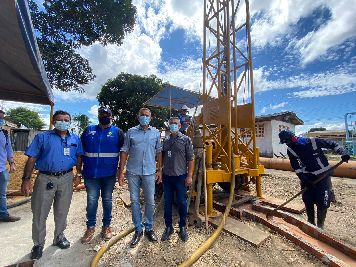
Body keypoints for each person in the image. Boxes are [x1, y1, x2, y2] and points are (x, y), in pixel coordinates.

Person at [21, 110, 83, 260]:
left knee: (62, 211)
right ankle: (38, 244)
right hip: (45, 178)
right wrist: (26, 179)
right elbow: (31, 159)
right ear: (53, 122)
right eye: (59, 119)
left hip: (67, 177)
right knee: (40, 212)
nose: (63, 121)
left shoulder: (75, 138)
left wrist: (78, 174)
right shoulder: (42, 137)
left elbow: (79, 156)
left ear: (70, 121)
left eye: (66, 119)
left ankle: (59, 237)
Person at [279, 130, 350, 229]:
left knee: (322, 202)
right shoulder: (291, 150)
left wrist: (343, 152)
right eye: (285, 142)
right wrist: (303, 178)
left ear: (293, 138)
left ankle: (320, 226)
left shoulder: (313, 142)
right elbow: (295, 165)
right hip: (307, 178)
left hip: (323, 176)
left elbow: (332, 144)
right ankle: (310, 224)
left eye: (288, 141)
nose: (287, 144)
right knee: (308, 200)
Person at [77, 107, 124, 243]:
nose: (104, 116)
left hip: (109, 174)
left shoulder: (117, 132)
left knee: (107, 200)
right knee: (91, 201)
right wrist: (78, 172)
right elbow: (80, 152)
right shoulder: (89, 130)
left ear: (111, 116)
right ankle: (90, 227)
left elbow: (123, 153)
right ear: (98, 116)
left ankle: (106, 227)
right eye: (101, 114)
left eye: (107, 114)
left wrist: (120, 171)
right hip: (91, 174)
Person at [118, 107, 162, 248]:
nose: (144, 117)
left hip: (149, 172)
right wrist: (121, 171)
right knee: (135, 201)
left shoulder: (156, 133)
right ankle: (138, 229)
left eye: (147, 115)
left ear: (151, 118)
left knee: (150, 201)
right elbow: (124, 151)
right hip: (133, 172)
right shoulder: (130, 132)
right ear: (138, 117)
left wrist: (159, 170)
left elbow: (159, 152)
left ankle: (148, 227)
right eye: (142, 115)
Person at [161, 117, 194, 242]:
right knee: (167, 203)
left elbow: (190, 159)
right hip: (168, 177)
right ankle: (168, 227)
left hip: (181, 177)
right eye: (171, 124)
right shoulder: (166, 140)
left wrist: (189, 176)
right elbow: (163, 156)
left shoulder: (186, 140)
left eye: (176, 124)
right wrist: (160, 170)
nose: (173, 125)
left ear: (180, 126)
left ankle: (182, 226)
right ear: (169, 126)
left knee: (182, 202)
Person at [0, 110, 20, 222]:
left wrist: (12, 163)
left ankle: (3, 214)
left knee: (2, 194)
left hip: (2, 168)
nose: (1, 120)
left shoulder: (4, 133)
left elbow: (8, 149)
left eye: (2, 118)